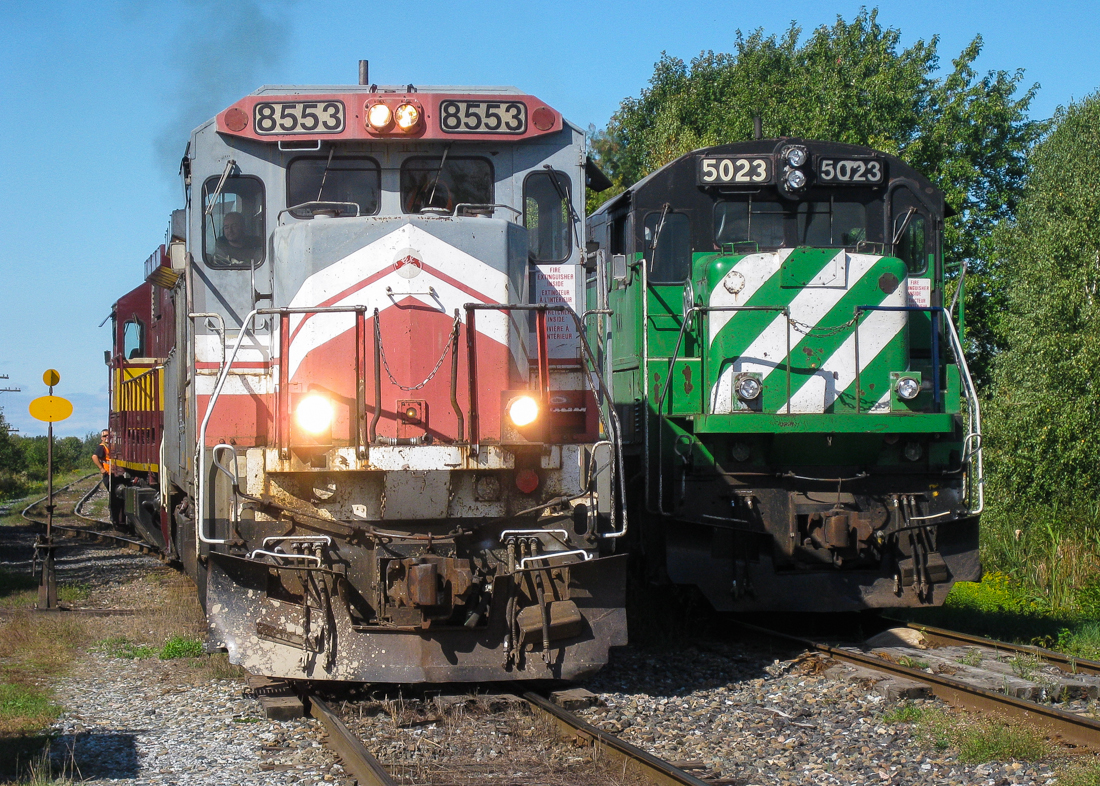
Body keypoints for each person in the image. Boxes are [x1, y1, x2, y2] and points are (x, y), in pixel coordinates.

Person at [92, 429, 111, 494]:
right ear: (102, 438)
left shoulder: (110, 446)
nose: (107, 437)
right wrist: (101, 468)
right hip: (107, 473)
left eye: (108, 435)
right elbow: (94, 457)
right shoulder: (102, 447)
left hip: (112, 473)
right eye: (105, 436)